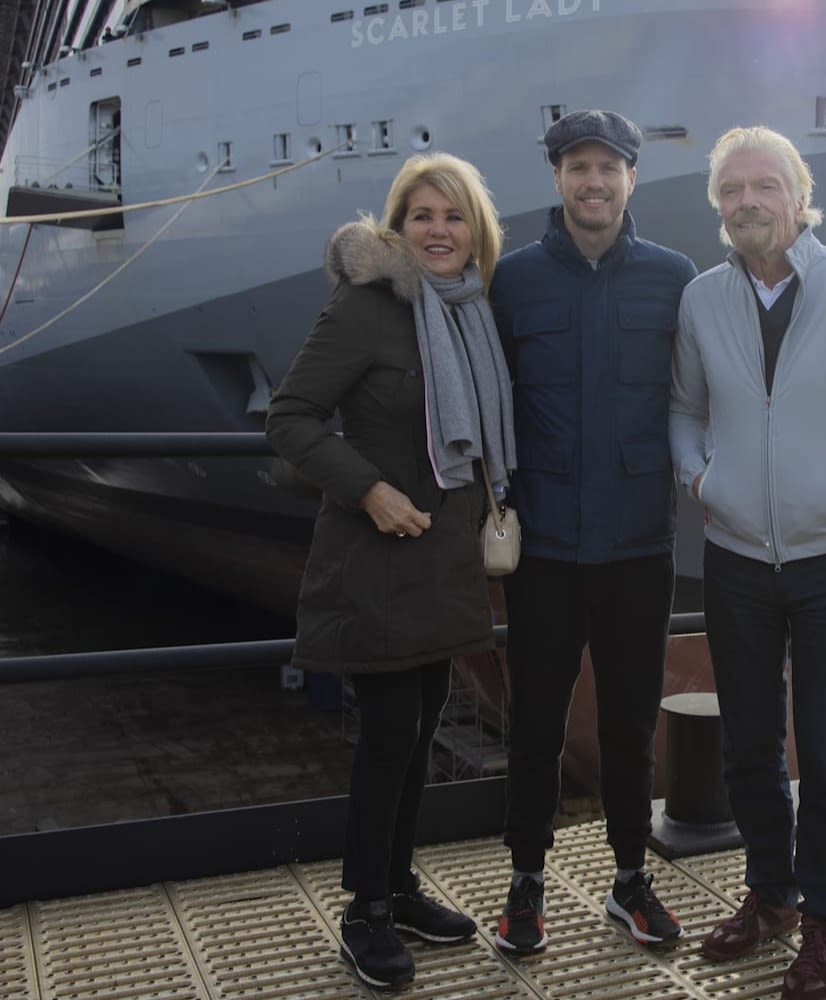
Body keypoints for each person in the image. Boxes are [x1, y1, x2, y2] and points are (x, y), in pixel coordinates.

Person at [266, 152, 514, 990]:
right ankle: (364, 910)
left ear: (475, 229)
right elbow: (290, 417)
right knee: (387, 736)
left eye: (453, 217)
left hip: (442, 557)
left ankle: (400, 887)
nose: (438, 231)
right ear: (397, 227)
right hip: (375, 552)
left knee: (421, 722)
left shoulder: (473, 310)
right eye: (422, 216)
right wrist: (368, 489)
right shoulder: (366, 307)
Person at [669, 126, 826, 1000]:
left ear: (799, 198)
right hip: (734, 552)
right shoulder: (701, 300)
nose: (745, 203)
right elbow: (685, 407)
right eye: (730, 191)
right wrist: (700, 476)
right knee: (749, 742)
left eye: (763, 186)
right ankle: (769, 895)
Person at [487, 109, 697, 953]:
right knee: (535, 721)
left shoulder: (675, 278)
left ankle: (628, 879)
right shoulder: (513, 280)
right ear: (557, 178)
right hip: (541, 548)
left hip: (641, 548)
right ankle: (526, 885)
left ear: (632, 179)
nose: (594, 181)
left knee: (629, 723)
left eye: (609, 167)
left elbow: (703, 393)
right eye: (578, 166)